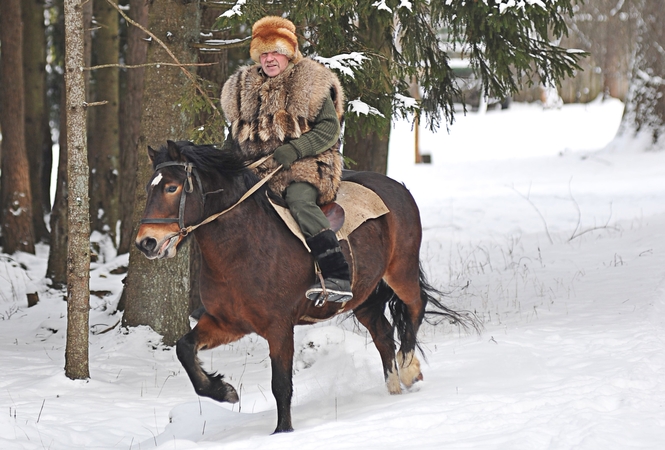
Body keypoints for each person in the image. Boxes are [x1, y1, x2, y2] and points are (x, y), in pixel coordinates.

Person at [220, 16, 352, 304]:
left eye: (275, 52)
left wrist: (295, 149)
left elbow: (329, 130)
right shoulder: (240, 87)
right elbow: (234, 137)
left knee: (299, 201)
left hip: (305, 166)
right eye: (263, 53)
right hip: (256, 170)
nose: (269, 59)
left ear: (289, 53)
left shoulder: (312, 81)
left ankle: (336, 273)